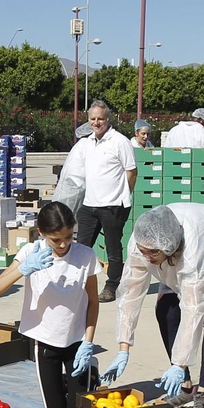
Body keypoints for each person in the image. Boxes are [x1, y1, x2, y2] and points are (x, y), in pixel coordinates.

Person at [102, 202, 204, 408]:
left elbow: (193, 307)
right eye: (144, 252)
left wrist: (179, 363)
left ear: (169, 247)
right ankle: (186, 386)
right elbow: (130, 293)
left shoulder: (192, 247)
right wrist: (124, 347)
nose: (147, 257)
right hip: (176, 251)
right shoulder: (141, 243)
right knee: (166, 311)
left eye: (153, 253)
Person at [0, 201, 100, 408]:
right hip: (46, 340)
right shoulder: (31, 252)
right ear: (41, 233)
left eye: (69, 237)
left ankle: (91, 372)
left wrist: (88, 341)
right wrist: (23, 268)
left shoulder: (85, 255)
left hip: (76, 339)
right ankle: (67, 384)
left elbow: (93, 301)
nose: (63, 244)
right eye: (56, 239)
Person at [60, 101, 137, 303]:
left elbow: (131, 171)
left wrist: (123, 195)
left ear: (108, 119)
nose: (96, 122)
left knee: (113, 248)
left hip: (113, 205)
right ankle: (76, 283)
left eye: (100, 119)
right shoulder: (88, 143)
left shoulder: (120, 142)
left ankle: (112, 286)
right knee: (81, 246)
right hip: (89, 204)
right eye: (93, 119)